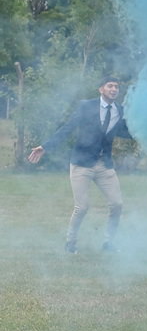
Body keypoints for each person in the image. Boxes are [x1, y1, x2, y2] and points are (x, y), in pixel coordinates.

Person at [28, 76, 135, 254]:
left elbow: (128, 132)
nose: (114, 89)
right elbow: (68, 127)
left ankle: (108, 243)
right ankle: (70, 243)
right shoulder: (87, 106)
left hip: (104, 165)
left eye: (116, 87)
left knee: (117, 204)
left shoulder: (119, 110)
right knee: (82, 207)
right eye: (110, 86)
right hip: (82, 164)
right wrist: (45, 147)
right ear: (101, 89)